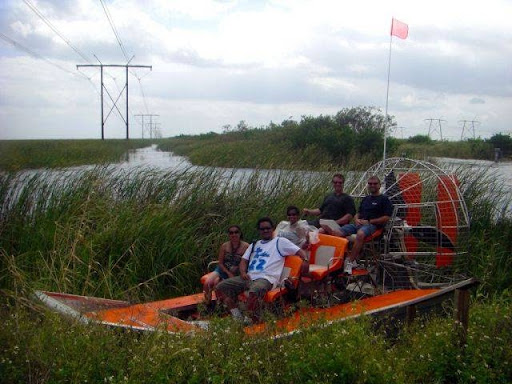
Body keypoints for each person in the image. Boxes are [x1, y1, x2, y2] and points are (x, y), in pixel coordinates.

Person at [215, 217, 308, 323]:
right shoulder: (255, 244)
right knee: (220, 287)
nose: (265, 231)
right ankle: (237, 315)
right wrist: (243, 272)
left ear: (272, 228)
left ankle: (249, 319)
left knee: (254, 292)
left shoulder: (280, 242)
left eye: (268, 228)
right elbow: (244, 261)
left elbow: (300, 251)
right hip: (249, 277)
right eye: (262, 229)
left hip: (266, 278)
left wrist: (305, 260)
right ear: (259, 230)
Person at [337, 176, 394, 274]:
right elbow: (358, 213)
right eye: (370, 184)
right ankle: (344, 257)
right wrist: (356, 219)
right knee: (337, 231)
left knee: (360, 234)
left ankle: (349, 262)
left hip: (373, 226)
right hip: (359, 223)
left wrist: (370, 222)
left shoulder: (384, 200)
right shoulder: (366, 199)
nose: (372, 185)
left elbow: (387, 217)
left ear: (379, 185)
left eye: (375, 184)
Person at [203, 225, 249, 305]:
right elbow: (220, 263)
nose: (234, 234)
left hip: (237, 272)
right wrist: (228, 273)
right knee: (207, 282)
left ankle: (224, 304)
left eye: (236, 232)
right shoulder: (225, 246)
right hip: (223, 269)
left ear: (240, 233)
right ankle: (208, 303)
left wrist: (238, 271)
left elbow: (247, 262)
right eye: (231, 233)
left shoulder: (246, 246)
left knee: (218, 283)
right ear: (229, 235)